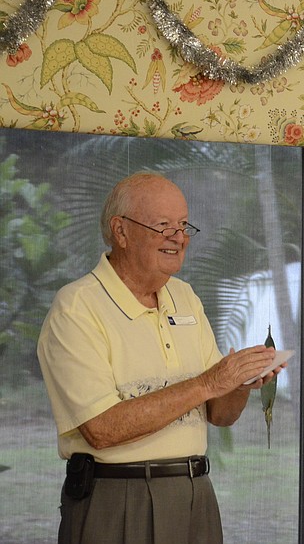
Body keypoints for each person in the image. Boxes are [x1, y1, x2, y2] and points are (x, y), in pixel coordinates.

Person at [37, 171, 283, 544]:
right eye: (163, 225)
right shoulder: (76, 307)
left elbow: (220, 414)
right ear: (121, 231)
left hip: (195, 493)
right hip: (118, 497)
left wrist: (241, 382)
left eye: (183, 226)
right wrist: (209, 382)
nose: (179, 237)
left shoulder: (185, 297)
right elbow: (102, 429)